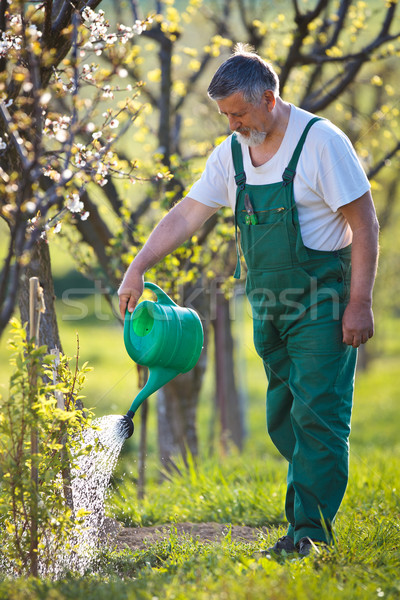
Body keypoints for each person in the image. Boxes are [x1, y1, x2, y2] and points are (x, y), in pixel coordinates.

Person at [118, 44, 379, 557]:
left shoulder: (320, 142)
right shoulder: (232, 153)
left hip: (323, 301)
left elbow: (364, 223)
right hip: (270, 307)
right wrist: (137, 266)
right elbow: (187, 215)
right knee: (283, 418)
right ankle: (310, 508)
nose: (233, 124)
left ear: (271, 98)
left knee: (318, 415)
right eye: (226, 115)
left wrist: (360, 301)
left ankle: (310, 535)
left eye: (239, 112)